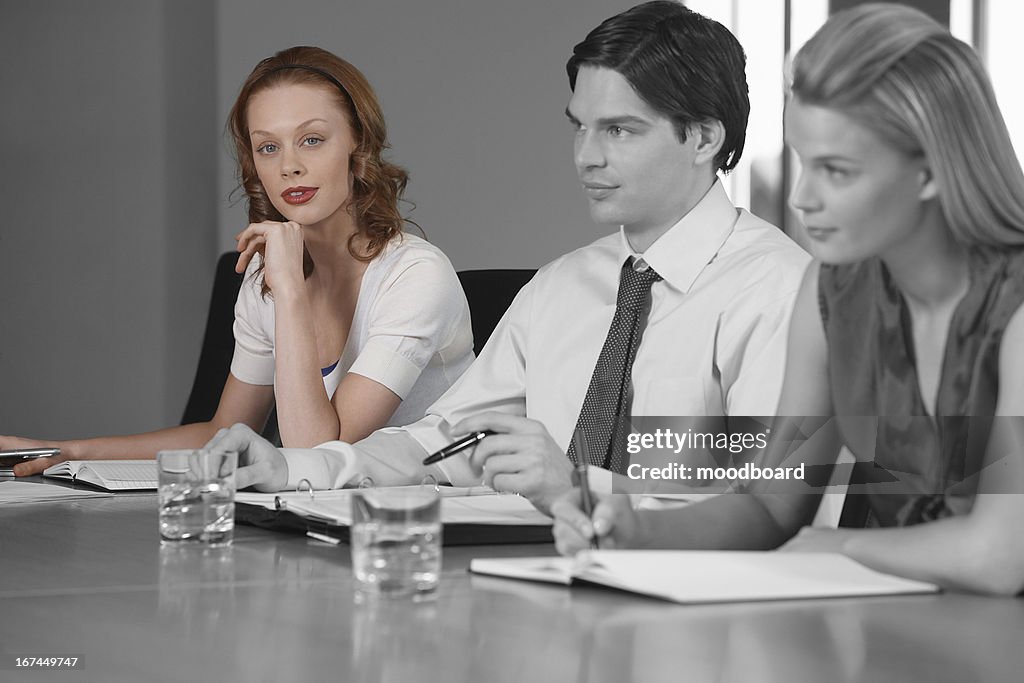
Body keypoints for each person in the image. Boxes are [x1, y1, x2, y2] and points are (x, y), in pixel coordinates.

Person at [207, 2, 810, 511]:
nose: (586, 158)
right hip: (541, 605)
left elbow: (773, 503)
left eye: (619, 130)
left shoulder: (780, 293)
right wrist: (295, 468)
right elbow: (443, 440)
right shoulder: (560, 288)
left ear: (705, 137)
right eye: (580, 127)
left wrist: (579, 489)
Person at [552, 3, 1024, 595]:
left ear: (929, 171)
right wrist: (635, 528)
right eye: (804, 162)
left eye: (838, 171)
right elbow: (772, 508)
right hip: (900, 626)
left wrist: (837, 548)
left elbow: (1001, 556)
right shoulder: (833, 295)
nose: (802, 198)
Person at [3, 46, 474, 476]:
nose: (289, 165)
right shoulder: (264, 277)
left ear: (358, 145)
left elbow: (314, 454)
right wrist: (68, 451)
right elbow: (224, 432)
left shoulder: (415, 276)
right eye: (268, 147)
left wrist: (288, 289)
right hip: (330, 523)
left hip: (432, 527)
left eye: (311, 140)